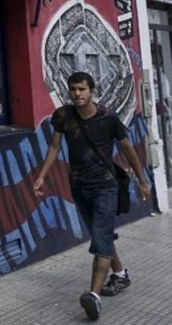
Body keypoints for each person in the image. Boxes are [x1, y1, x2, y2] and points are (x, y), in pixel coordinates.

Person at [33, 71, 151, 321]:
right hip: (79, 186)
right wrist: (42, 176)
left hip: (106, 187)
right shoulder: (63, 116)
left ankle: (94, 296)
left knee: (100, 238)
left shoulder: (108, 117)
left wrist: (142, 180)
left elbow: (127, 147)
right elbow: (54, 146)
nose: (77, 94)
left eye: (82, 89)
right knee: (102, 234)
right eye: (73, 89)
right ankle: (119, 275)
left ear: (92, 91)